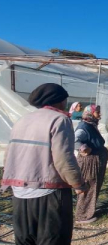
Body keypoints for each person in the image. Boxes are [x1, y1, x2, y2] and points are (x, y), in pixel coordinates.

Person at [1, 83, 87, 245]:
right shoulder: (60, 120)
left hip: (20, 191)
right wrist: (78, 184)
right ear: (59, 101)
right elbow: (63, 158)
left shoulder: (23, 120)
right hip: (49, 193)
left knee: (25, 240)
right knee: (53, 239)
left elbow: (10, 154)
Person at [74, 104, 108, 224]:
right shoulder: (84, 127)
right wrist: (84, 148)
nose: (99, 114)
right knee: (88, 186)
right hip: (89, 163)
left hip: (95, 161)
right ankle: (82, 216)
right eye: (97, 112)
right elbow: (74, 140)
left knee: (93, 186)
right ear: (90, 113)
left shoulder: (90, 125)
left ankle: (89, 210)